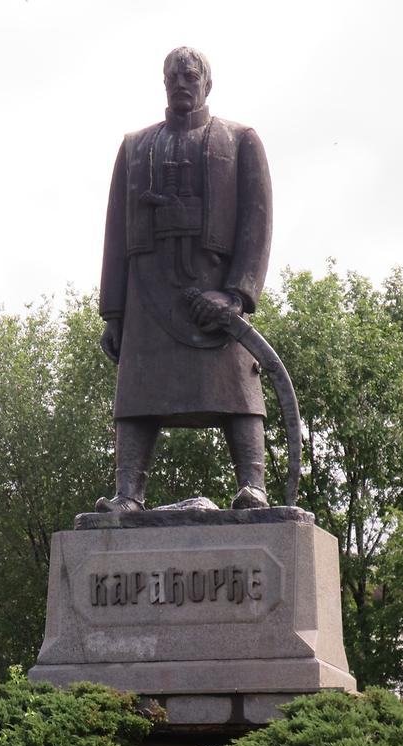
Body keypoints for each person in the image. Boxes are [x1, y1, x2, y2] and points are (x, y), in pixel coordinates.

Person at [96, 46, 272, 513]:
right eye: (172, 76)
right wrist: (113, 312)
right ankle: (128, 494)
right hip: (147, 296)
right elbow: (115, 232)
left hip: (213, 296)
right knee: (137, 394)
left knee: (238, 388)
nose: (180, 83)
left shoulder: (240, 140)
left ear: (206, 83)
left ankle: (252, 487)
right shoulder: (136, 146)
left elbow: (257, 226)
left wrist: (235, 296)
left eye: (189, 76)